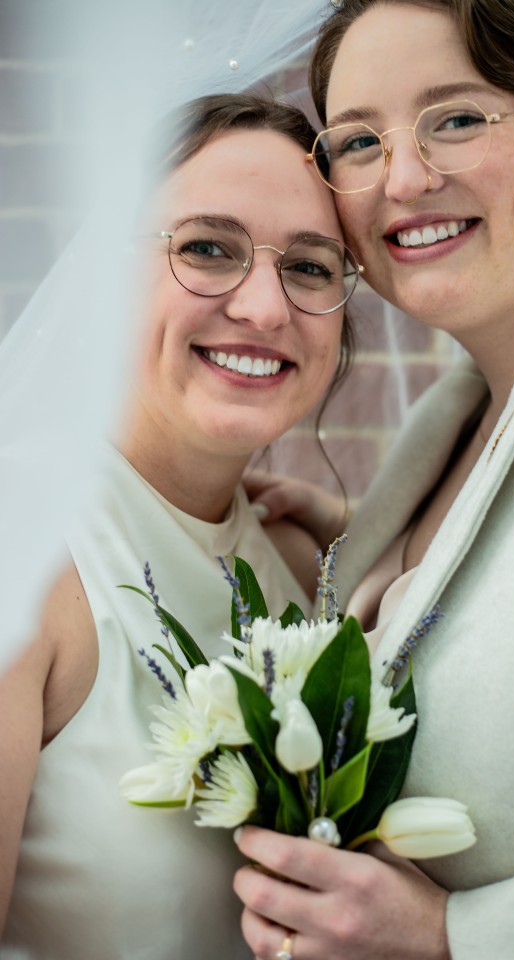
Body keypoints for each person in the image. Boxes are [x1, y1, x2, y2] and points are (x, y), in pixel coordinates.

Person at [233, 2, 514, 959]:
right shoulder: (451, 419)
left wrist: (465, 934)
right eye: (360, 141)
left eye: (456, 118)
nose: (405, 179)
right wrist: (360, 547)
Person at [0, 92, 361, 958]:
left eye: (310, 267)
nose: (266, 309)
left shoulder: (300, 560)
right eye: (208, 248)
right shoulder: (27, 563)